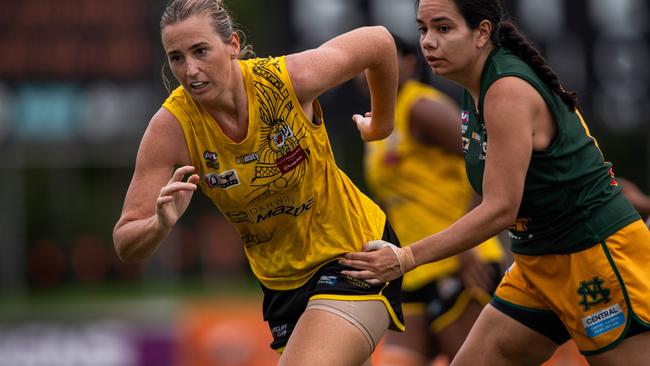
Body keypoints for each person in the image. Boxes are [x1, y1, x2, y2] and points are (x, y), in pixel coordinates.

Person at [340, 0, 650, 364]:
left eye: (443, 28)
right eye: (423, 29)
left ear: (482, 33)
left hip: (594, 257)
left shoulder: (506, 90)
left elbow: (502, 207)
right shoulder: (476, 89)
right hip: (537, 264)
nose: (427, 42)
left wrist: (406, 257)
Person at [112, 1, 405, 365]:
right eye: (176, 57)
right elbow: (127, 242)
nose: (190, 70)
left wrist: (382, 126)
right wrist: (159, 225)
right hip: (282, 289)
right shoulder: (171, 127)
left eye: (200, 51)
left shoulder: (286, 80)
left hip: (355, 257)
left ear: (232, 44)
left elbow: (378, 41)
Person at [359, 34, 504, 365]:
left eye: (381, 62)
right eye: (363, 66)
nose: (369, 72)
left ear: (408, 66)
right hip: (410, 267)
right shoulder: (378, 123)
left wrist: (470, 245)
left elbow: (489, 161)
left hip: (458, 261)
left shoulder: (421, 108)